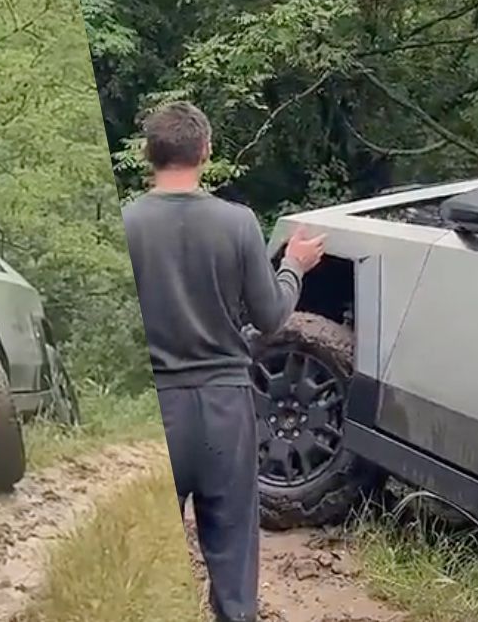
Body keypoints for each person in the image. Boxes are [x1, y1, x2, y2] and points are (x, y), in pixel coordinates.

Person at [122, 101, 326, 622]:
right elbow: (272, 316)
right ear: (206, 151)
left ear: (149, 154)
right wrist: (294, 267)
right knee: (233, 561)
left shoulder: (124, 224)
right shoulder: (237, 224)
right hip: (224, 408)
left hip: (155, 414)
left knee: (144, 565)